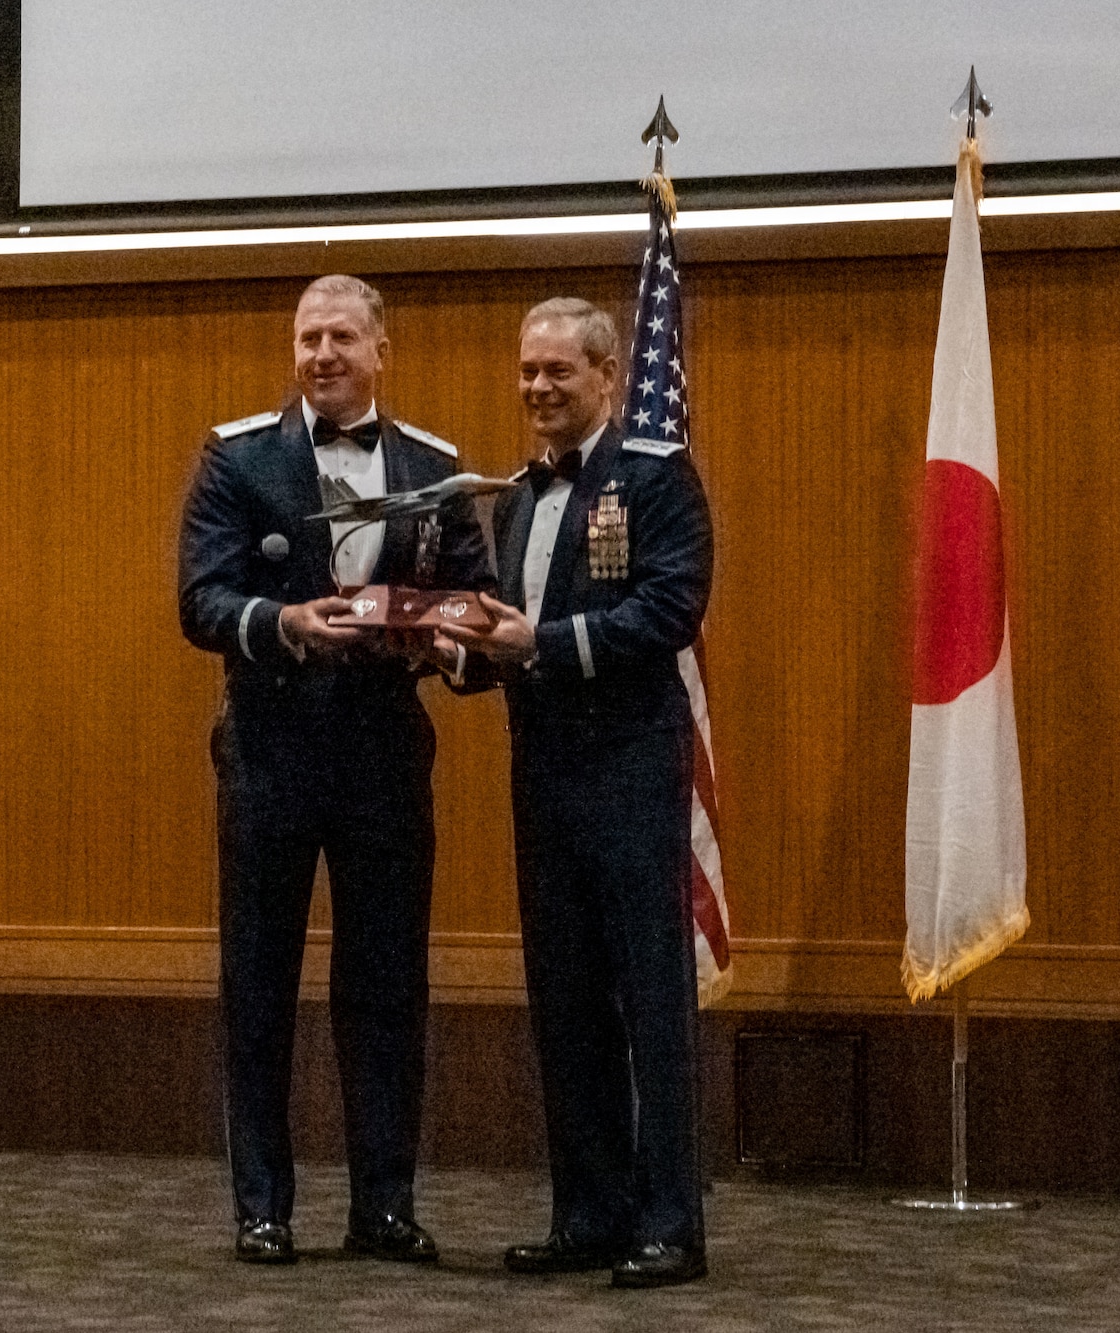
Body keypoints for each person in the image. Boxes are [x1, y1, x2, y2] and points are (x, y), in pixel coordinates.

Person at [177, 274, 491, 1265]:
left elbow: (477, 608)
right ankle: (261, 1208)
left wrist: (444, 640)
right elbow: (199, 600)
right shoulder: (235, 458)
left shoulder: (436, 467)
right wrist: (280, 623)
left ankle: (383, 1206)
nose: (322, 354)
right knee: (259, 983)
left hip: (383, 759)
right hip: (269, 754)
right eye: (308, 337)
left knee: (387, 985)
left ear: (379, 350)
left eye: (341, 338)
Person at [438, 297, 714, 1288]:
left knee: (651, 1002)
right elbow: (513, 633)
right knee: (563, 1004)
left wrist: (539, 645)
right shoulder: (513, 496)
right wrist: (463, 656)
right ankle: (587, 1213)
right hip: (543, 777)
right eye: (526, 372)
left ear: (606, 376)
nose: (538, 389)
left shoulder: (655, 478)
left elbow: (668, 611)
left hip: (632, 772)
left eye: (558, 371)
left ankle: (669, 1224)